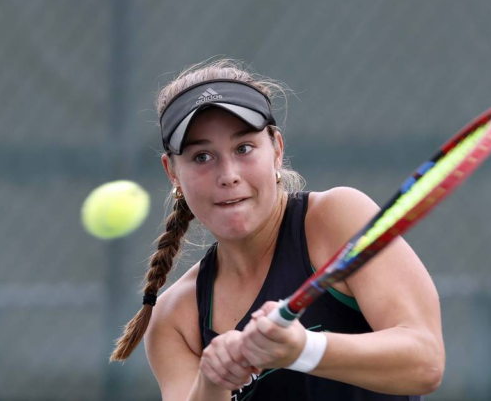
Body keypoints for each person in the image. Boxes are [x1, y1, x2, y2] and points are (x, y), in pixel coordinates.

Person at [110, 59, 445, 401]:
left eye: (244, 148)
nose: (228, 175)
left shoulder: (337, 219)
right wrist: (213, 381)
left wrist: (304, 349)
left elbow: (426, 362)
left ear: (277, 150)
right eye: (201, 157)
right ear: (173, 173)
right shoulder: (174, 320)